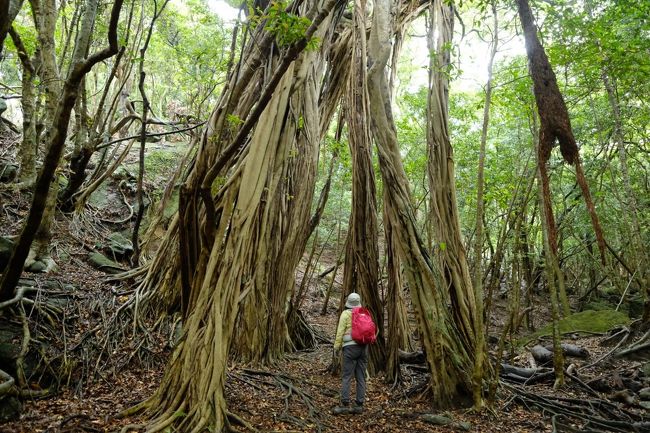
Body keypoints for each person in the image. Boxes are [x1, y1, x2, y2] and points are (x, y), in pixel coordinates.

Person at [333, 292, 368, 414]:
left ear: (348, 302)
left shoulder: (346, 314)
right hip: (363, 348)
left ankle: (344, 404)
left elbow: (340, 331)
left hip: (349, 348)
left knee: (347, 376)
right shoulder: (364, 313)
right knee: (361, 377)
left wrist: (336, 347)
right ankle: (359, 404)